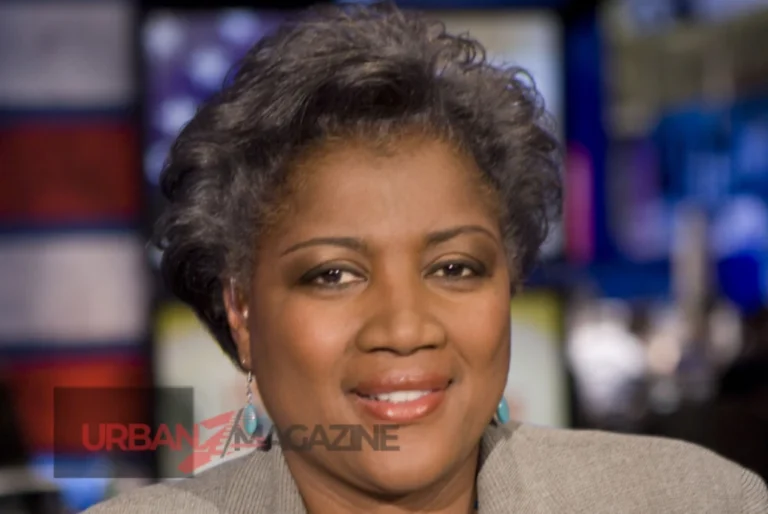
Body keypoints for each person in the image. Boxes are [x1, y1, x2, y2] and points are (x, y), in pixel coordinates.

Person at [86, 3, 768, 513]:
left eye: (455, 268)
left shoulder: (689, 500)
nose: (406, 327)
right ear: (240, 310)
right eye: (333, 275)